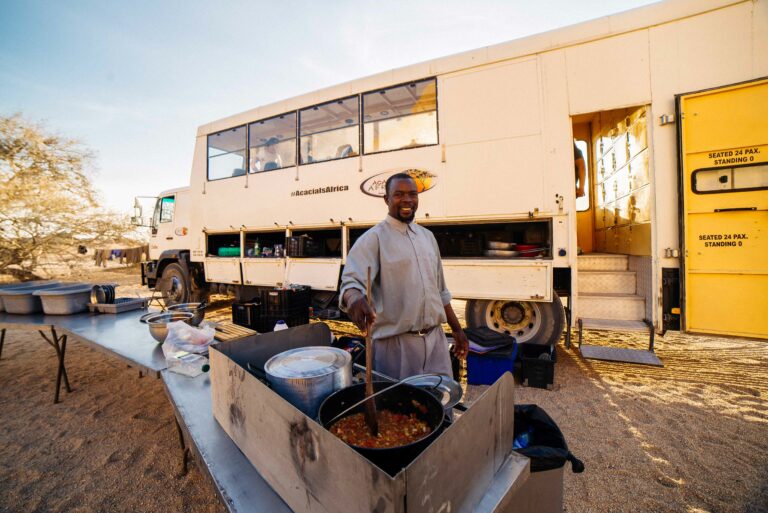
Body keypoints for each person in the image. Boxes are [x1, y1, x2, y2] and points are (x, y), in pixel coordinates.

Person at [339, 173, 469, 380]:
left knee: (442, 403)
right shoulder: (373, 239)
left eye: (412, 194)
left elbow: (441, 292)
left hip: (436, 342)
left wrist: (457, 330)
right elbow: (351, 283)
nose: (407, 199)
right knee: (398, 408)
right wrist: (354, 298)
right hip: (395, 347)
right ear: (386, 200)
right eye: (398, 194)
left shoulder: (428, 237)